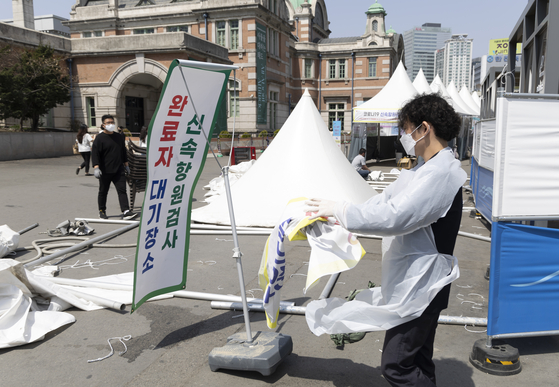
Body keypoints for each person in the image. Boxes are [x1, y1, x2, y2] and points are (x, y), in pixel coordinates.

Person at [305, 94, 467, 386]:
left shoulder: (440, 173)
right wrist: (339, 212)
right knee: (417, 358)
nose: (405, 137)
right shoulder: (426, 170)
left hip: (422, 285)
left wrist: (341, 211)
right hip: (417, 282)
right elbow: (382, 205)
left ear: (424, 128)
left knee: (397, 365)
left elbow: (395, 216)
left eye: (406, 129)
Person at [92, 114, 137, 220]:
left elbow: (123, 152)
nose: (111, 124)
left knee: (122, 190)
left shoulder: (118, 137)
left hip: (118, 169)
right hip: (105, 170)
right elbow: (95, 154)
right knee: (103, 191)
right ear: (103, 125)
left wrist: (126, 166)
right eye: (108, 123)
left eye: (112, 122)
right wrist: (96, 167)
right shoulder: (100, 138)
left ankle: (126, 211)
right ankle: (102, 211)